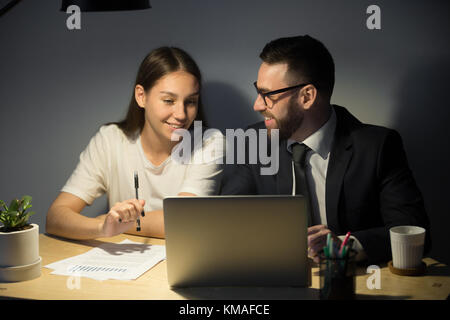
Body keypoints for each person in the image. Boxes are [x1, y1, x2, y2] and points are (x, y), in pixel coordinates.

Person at [220, 35, 431, 264]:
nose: (257, 105)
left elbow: (415, 232)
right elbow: (227, 220)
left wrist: (343, 245)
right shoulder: (253, 142)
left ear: (307, 96)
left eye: (268, 95)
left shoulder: (377, 147)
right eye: (258, 91)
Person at [46, 47, 224, 240]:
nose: (181, 114)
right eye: (168, 100)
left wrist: (117, 223)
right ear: (141, 96)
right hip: (125, 264)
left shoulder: (209, 142)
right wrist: (102, 226)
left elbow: (184, 221)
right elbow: (55, 217)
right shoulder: (110, 139)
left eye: (190, 102)